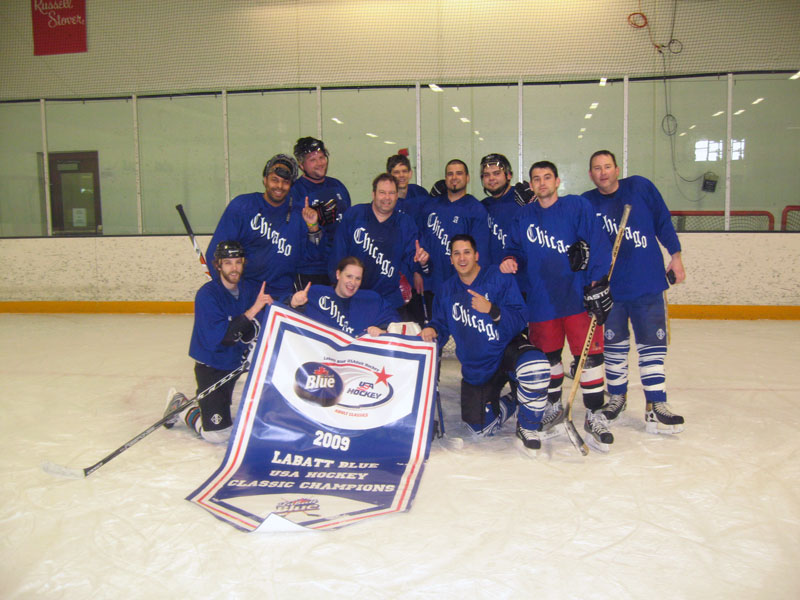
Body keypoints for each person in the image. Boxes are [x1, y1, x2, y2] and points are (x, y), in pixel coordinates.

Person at [500, 160, 615, 451]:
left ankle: (593, 413)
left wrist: (596, 282)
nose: (542, 183)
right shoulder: (523, 216)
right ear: (531, 184)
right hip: (541, 301)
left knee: (589, 359)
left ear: (557, 180)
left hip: (577, 298)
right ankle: (552, 406)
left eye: (547, 177)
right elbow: (514, 249)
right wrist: (511, 260)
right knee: (550, 359)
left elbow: (598, 245)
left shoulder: (577, 207)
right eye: (536, 179)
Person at [582, 149, 686, 434]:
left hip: (647, 285)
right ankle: (617, 398)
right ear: (590, 174)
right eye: (597, 168)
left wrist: (675, 255)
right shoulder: (586, 203)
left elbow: (663, 220)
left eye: (607, 166)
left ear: (617, 169)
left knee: (652, 347)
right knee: (615, 348)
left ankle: (656, 405)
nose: (603, 172)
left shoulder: (640, 187)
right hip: (611, 291)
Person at [420, 235, 550, 449]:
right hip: (478, 367)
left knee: (535, 367)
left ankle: (528, 427)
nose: (462, 258)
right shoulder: (445, 290)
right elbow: (440, 324)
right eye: (456, 253)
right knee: (480, 428)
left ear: (476, 255)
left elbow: (520, 318)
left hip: (506, 350)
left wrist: (492, 310)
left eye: (467, 252)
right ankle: (516, 399)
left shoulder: (499, 277)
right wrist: (432, 329)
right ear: (451, 259)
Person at [164, 241, 271, 443]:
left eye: (238, 262)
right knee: (217, 434)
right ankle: (183, 406)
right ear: (218, 265)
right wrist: (252, 312)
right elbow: (226, 337)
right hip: (213, 367)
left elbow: (258, 325)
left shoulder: (249, 289)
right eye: (228, 262)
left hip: (238, 361)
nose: (234, 268)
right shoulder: (207, 295)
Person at [206, 154, 323, 303]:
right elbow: (216, 252)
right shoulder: (242, 207)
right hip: (245, 294)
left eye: (285, 182)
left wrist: (313, 226)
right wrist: (227, 290)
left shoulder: (300, 215)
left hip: (281, 297)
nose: (279, 186)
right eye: (274, 180)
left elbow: (313, 257)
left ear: (291, 185)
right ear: (265, 180)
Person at [330, 173, 430, 319]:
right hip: (353, 296)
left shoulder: (405, 223)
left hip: (389, 302)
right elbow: (338, 255)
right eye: (382, 192)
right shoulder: (355, 215)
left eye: (391, 193)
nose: (387, 198)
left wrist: (422, 261)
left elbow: (413, 260)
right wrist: (337, 289)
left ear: (397, 196)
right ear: (373, 194)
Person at [419, 159, 490, 299]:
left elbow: (479, 253)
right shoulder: (430, 206)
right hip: (432, 284)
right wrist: (418, 272)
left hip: (462, 287)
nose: (454, 177)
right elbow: (421, 243)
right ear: (445, 179)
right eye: (450, 174)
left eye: (459, 173)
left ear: (467, 178)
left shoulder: (476, 209)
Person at [289, 137, 352, 288]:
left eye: (322, 157)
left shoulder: (338, 186)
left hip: (338, 266)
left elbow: (348, 226)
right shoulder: (296, 191)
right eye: (312, 160)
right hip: (310, 270)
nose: (320, 163)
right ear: (301, 164)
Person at [289, 256, 400, 337]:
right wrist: (293, 303)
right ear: (338, 274)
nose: (353, 282)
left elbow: (395, 324)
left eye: (358, 278)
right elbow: (289, 320)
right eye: (349, 276)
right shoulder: (316, 293)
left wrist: (383, 331)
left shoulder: (371, 300)